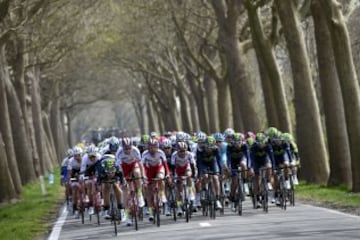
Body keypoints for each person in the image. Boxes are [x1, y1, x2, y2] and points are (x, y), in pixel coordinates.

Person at [116, 137, 145, 226]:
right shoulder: (119, 153)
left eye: (129, 148)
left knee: (137, 173)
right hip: (123, 169)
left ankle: (139, 194)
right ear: (122, 147)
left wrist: (142, 175)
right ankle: (127, 215)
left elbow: (140, 164)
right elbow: (119, 168)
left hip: (133, 166)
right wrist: (122, 179)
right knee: (126, 191)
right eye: (126, 148)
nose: (128, 150)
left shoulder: (135, 150)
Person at [141, 138, 171, 221]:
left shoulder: (161, 153)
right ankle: (151, 212)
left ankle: (162, 194)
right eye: (150, 147)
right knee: (148, 193)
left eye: (154, 147)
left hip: (159, 168)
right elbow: (142, 167)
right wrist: (143, 177)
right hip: (149, 170)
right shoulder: (145, 154)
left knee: (161, 178)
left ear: (157, 147)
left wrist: (168, 174)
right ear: (148, 147)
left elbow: (165, 165)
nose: (152, 149)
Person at [170, 141, 197, 216]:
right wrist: (173, 177)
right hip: (178, 169)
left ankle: (190, 192)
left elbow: (192, 166)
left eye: (184, 151)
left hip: (186, 168)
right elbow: (172, 167)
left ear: (186, 149)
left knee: (189, 175)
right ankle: (179, 207)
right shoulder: (174, 155)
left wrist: (193, 175)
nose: (182, 153)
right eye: (180, 151)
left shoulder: (189, 154)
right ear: (177, 150)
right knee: (179, 190)